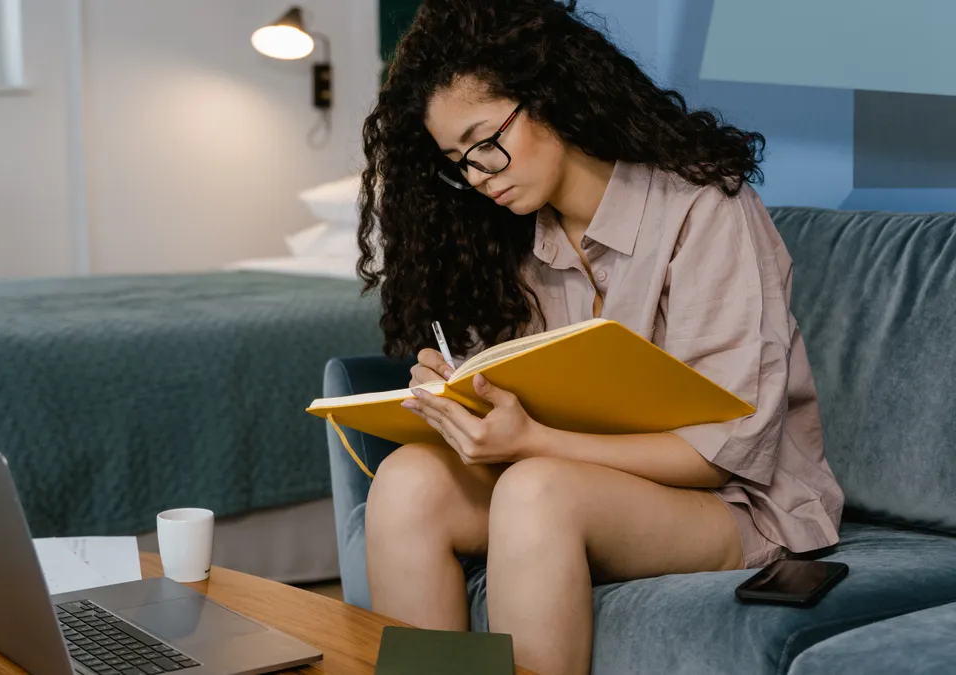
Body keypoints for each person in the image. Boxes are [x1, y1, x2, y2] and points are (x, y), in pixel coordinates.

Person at [353, 1, 845, 673]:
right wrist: (463, 401)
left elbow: (723, 451)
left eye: (485, 140)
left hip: (737, 504)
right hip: (583, 479)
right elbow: (536, 405)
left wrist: (531, 441)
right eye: (458, 161)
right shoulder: (520, 244)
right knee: (405, 482)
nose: (478, 173)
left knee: (536, 489)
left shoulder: (706, 208)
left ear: (551, 96)